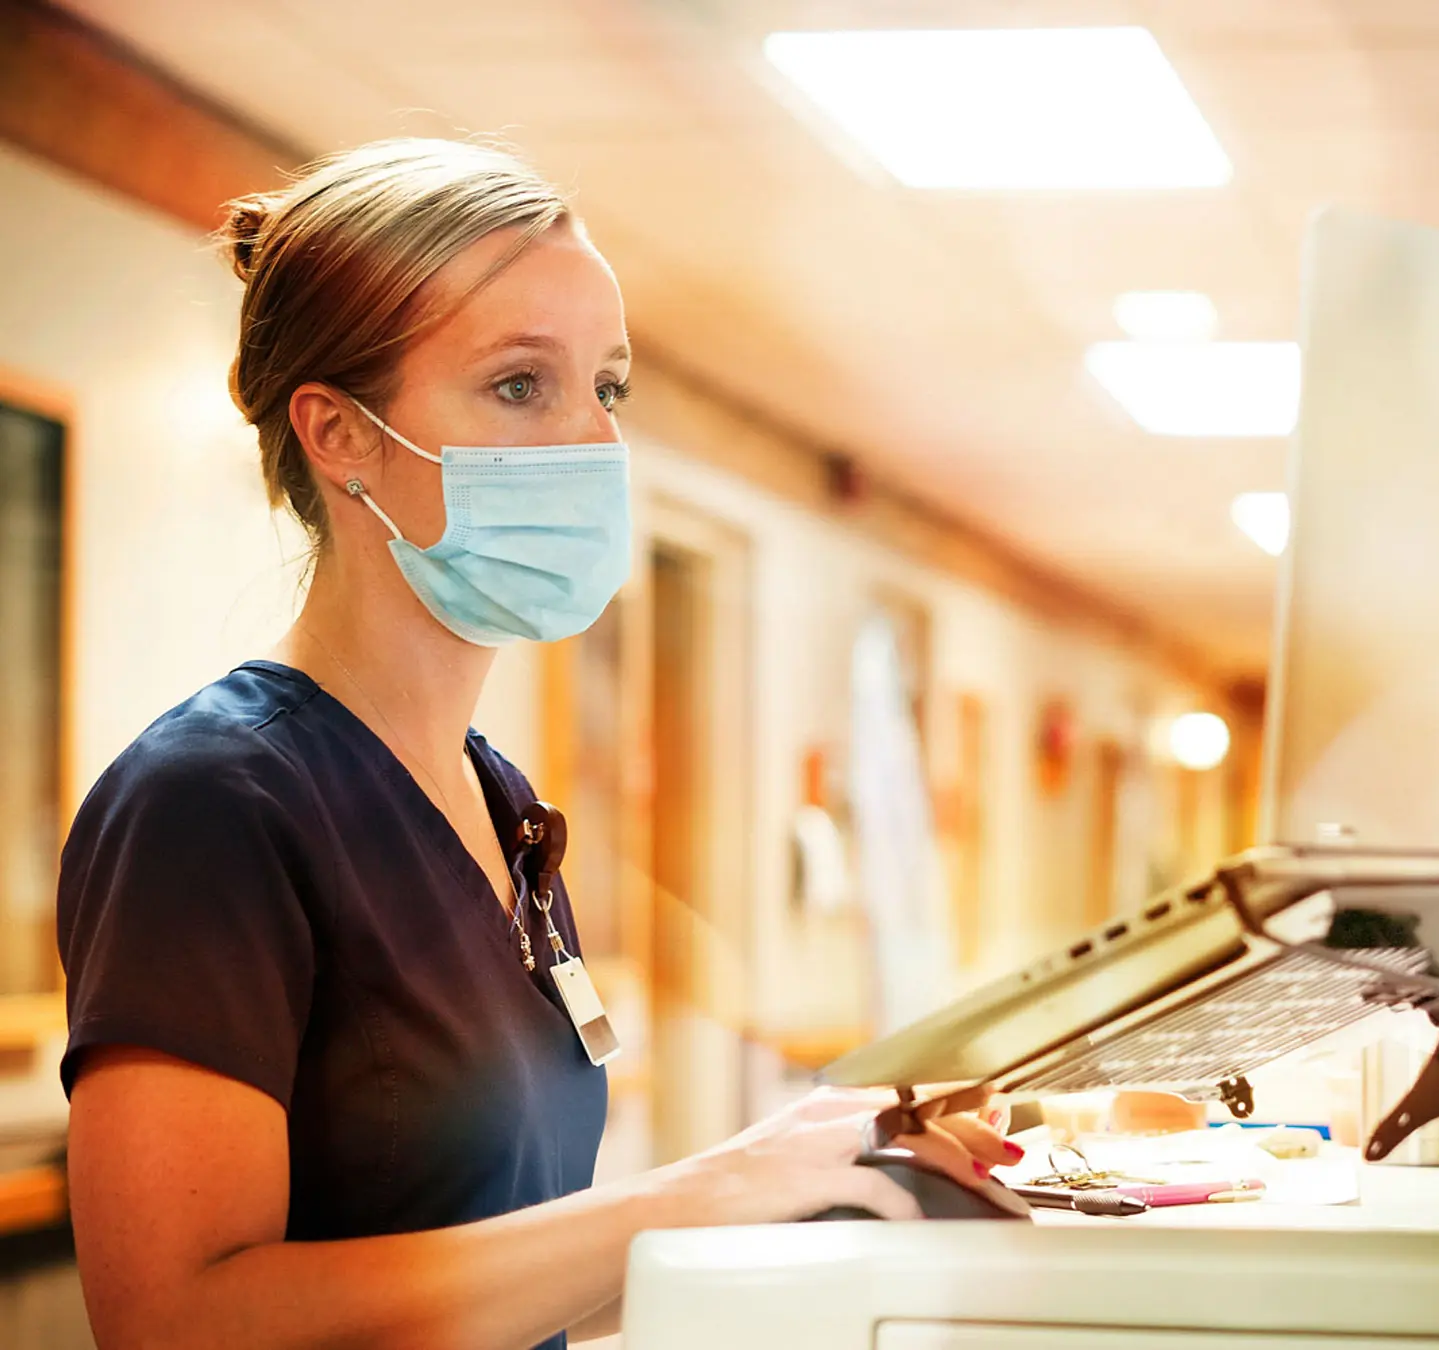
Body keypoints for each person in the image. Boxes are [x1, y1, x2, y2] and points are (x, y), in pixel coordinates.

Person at [56, 138, 1017, 1350]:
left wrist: (813, 1194)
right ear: (338, 433)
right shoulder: (213, 802)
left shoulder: (496, 802)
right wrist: (691, 1196)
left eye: (604, 387)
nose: (591, 442)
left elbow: (509, 1260)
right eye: (521, 386)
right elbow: (173, 1322)